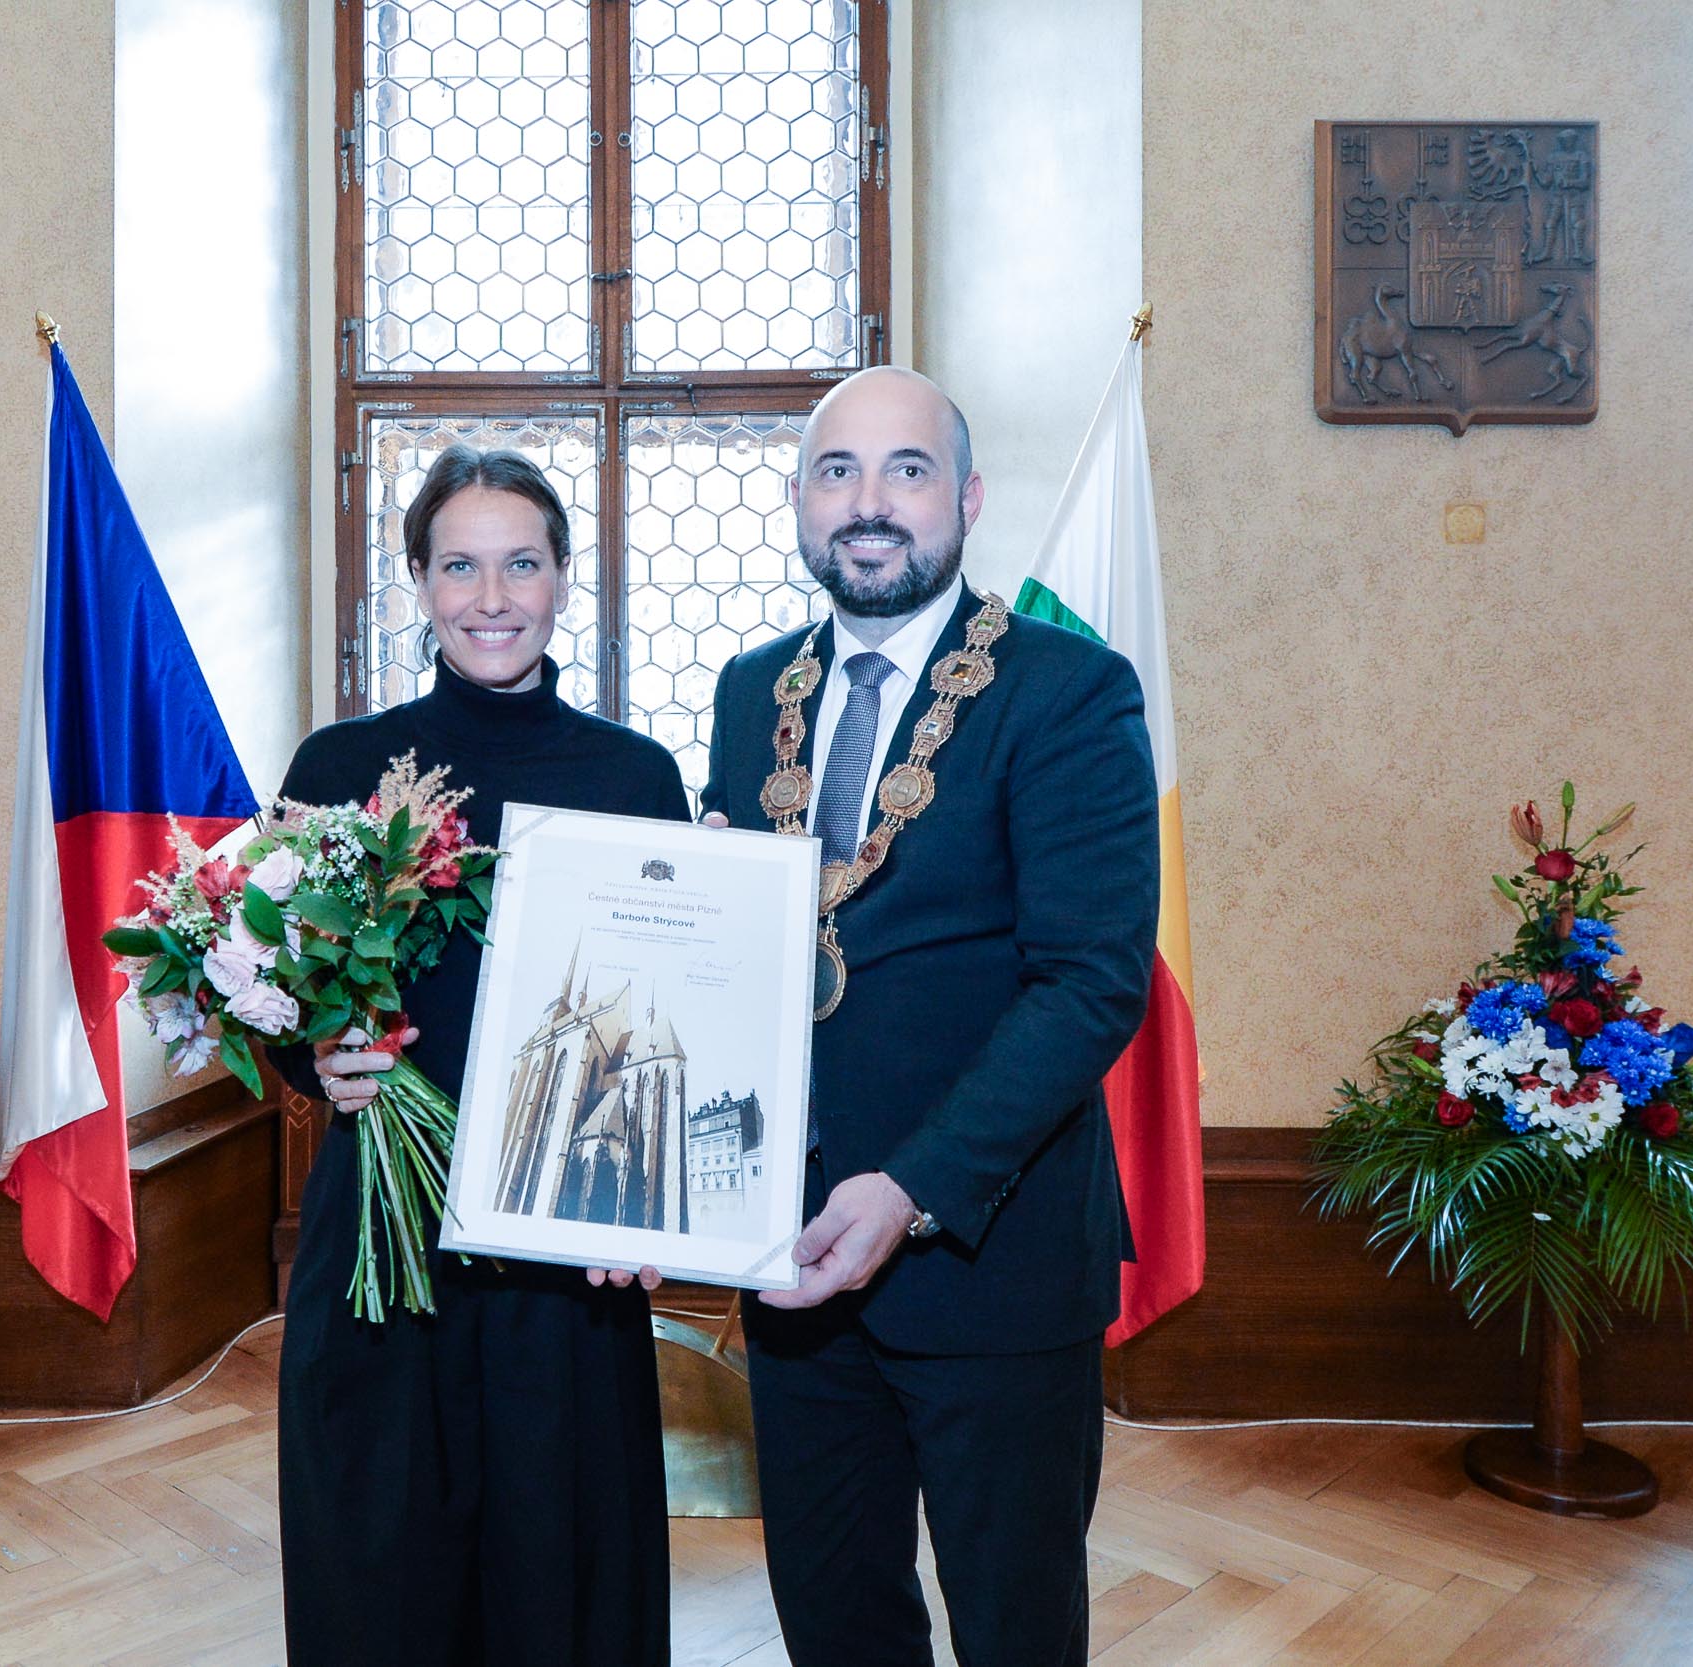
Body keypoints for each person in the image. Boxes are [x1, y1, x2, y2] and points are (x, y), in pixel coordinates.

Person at [696, 366, 1159, 1665]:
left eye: (905, 470)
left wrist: (912, 1186)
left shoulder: (1068, 690)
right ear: (799, 500)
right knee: (835, 1620)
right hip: (796, 1259)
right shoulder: (750, 691)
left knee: (1015, 1627)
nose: (870, 503)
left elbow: (1091, 981)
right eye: (838, 470)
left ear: (966, 497)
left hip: (988, 1259)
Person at [272, 444, 690, 1667]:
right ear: (418, 580)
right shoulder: (340, 770)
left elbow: (665, 1023)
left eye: (521, 562)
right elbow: (282, 994)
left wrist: (658, 1208)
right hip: (380, 1233)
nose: (491, 595)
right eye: (459, 564)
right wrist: (321, 1062)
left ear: (565, 579)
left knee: (559, 1557)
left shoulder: (633, 774)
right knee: (378, 1554)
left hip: (567, 1240)